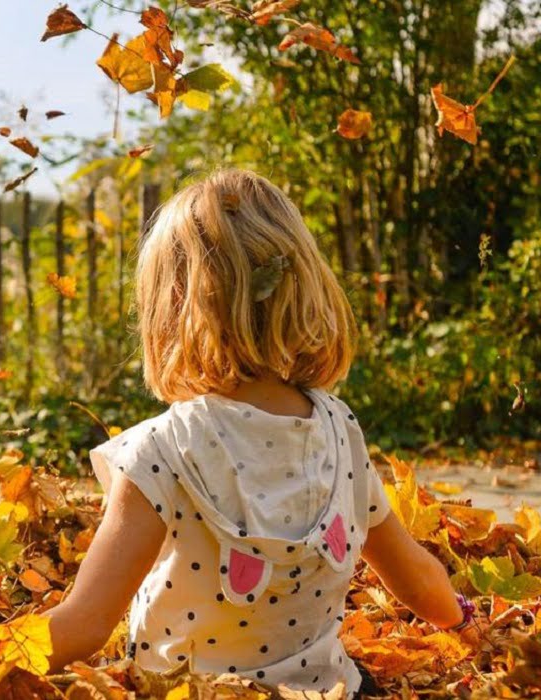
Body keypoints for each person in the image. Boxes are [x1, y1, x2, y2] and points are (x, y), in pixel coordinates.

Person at [45, 169, 472, 696]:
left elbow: (85, 624)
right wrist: (465, 621)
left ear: (174, 306)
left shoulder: (161, 451)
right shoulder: (339, 430)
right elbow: (416, 580)